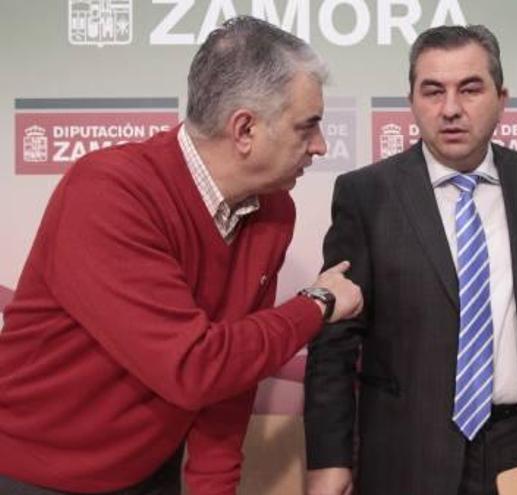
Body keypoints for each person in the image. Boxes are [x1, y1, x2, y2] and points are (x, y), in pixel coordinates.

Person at [0, 15, 362, 495]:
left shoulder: (273, 209)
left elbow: (232, 376)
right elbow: (194, 366)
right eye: (307, 126)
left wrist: (214, 489)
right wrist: (315, 304)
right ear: (245, 129)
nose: (319, 146)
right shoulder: (110, 192)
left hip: (150, 471)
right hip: (32, 474)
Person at [304, 25, 517, 495]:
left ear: (502, 98)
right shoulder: (366, 194)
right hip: (408, 447)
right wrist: (330, 458)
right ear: (412, 100)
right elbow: (334, 341)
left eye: (470, 89)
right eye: (432, 91)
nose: (451, 109)